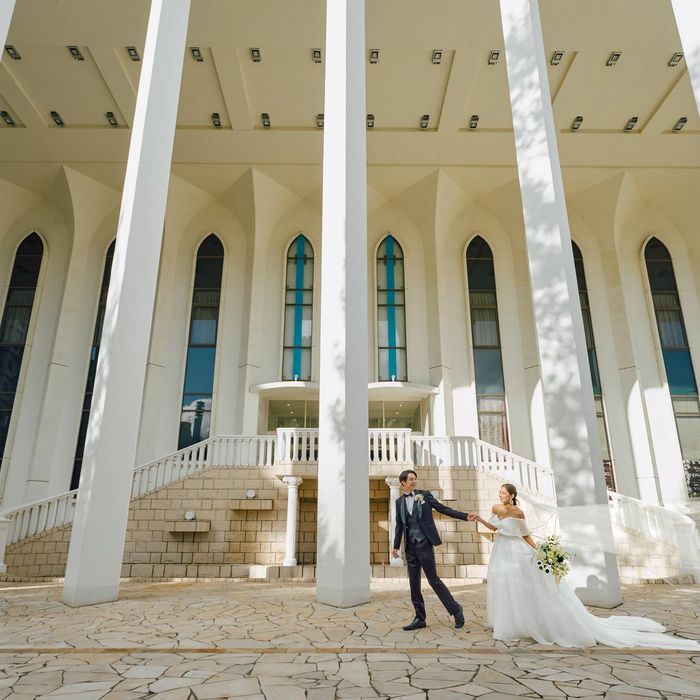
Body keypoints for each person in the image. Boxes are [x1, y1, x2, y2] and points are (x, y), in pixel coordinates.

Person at [469, 483, 700, 649]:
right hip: (502, 550)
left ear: (512, 495)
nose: (500, 495)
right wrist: (479, 519)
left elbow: (525, 535)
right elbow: (494, 528)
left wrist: (540, 552)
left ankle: (525, 622)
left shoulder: (519, 512)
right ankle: (507, 622)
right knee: (503, 583)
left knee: (524, 585)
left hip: (518, 550)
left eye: (504, 492)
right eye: (499, 492)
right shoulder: (496, 509)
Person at [392, 469, 469, 630]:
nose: (414, 481)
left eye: (415, 479)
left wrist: (465, 516)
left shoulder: (425, 496)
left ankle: (456, 609)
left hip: (424, 544)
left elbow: (443, 509)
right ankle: (420, 618)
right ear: (403, 482)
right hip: (410, 547)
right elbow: (399, 525)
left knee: (433, 580)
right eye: (411, 479)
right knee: (414, 584)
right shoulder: (399, 502)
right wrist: (395, 546)